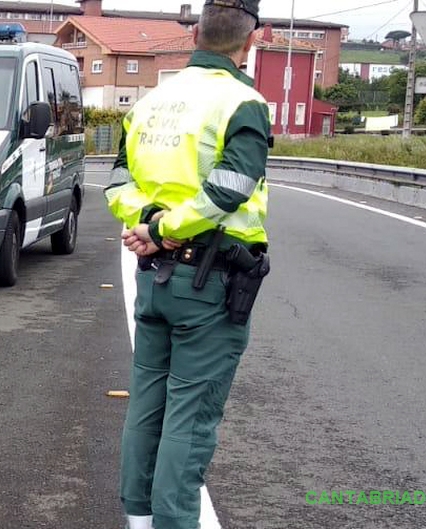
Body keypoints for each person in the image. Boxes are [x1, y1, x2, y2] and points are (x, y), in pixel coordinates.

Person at [104, 1, 271, 528]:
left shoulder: (152, 102)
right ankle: (174, 522)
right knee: (191, 417)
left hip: (155, 282)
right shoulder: (243, 102)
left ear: (196, 33)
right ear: (253, 41)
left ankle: (139, 517)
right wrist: (164, 230)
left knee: (147, 406)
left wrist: (149, 223)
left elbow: (116, 183)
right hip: (209, 283)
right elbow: (231, 188)